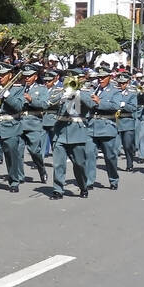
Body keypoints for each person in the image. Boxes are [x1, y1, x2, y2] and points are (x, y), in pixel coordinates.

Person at [48, 68, 93, 199]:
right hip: (60, 132)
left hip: (77, 132)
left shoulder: (85, 91)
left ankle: (83, 186)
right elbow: (48, 102)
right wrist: (62, 94)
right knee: (58, 163)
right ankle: (58, 190)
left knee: (79, 164)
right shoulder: (60, 91)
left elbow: (91, 104)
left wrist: (77, 93)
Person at [0, 63, 25, 192]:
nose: (0, 77)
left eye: (3, 75)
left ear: (10, 75)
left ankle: (14, 181)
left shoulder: (18, 89)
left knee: (11, 156)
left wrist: (7, 95)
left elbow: (19, 107)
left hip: (11, 126)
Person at [86, 67, 122, 189]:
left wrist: (99, 102)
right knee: (89, 154)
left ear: (109, 77)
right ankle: (89, 181)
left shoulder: (115, 91)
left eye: (103, 77)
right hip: (92, 127)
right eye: (99, 77)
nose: (100, 80)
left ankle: (113, 179)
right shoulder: (93, 89)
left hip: (106, 127)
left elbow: (116, 106)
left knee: (110, 156)